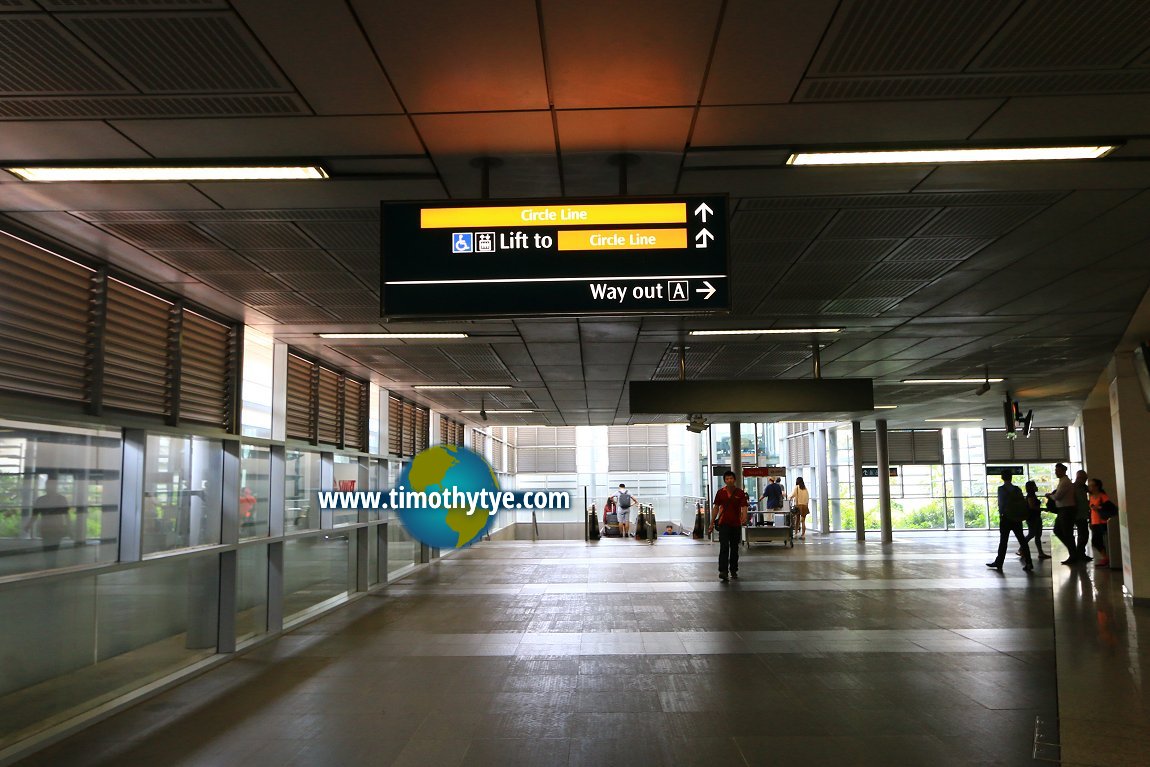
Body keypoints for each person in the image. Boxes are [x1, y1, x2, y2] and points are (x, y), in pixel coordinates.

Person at [988, 471, 1033, 572]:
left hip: (1006, 519)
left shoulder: (1001, 489)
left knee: (1003, 541)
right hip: (1017, 518)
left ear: (1002, 478)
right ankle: (1029, 562)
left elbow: (1001, 504)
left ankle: (999, 562)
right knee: (1022, 540)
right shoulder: (1017, 489)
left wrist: (1002, 514)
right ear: (1011, 478)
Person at [708, 470, 747, 583]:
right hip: (723, 523)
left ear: (734, 480)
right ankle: (723, 571)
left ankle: (733, 569)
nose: (729, 480)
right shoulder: (721, 493)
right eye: (727, 479)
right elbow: (716, 507)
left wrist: (744, 517)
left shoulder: (740, 493)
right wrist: (711, 522)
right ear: (725, 480)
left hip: (735, 524)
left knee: (734, 548)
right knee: (724, 547)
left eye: (731, 478)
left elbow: (744, 506)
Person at [28, 478, 71, 565]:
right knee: (51, 549)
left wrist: (29, 525)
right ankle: (51, 565)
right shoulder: (60, 499)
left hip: (52, 529)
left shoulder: (42, 500)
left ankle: (50, 565)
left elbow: (35, 515)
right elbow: (67, 515)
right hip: (52, 529)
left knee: (49, 549)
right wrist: (69, 528)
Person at [1046, 463, 1078, 564]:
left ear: (1063, 471)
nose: (1056, 472)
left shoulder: (1065, 482)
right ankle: (1073, 552)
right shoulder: (1063, 481)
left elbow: (1057, 497)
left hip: (1066, 510)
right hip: (1064, 510)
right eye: (1055, 470)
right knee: (1059, 531)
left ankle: (1073, 554)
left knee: (1067, 533)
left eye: (1058, 470)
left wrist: (1049, 495)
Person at [1019, 480, 1051, 560]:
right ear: (1032, 487)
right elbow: (1032, 507)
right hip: (1033, 518)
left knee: (1036, 535)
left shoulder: (1032, 495)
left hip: (1034, 517)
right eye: (1035, 485)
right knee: (1032, 534)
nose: (1036, 487)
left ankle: (1040, 553)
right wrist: (1043, 509)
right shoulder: (1030, 496)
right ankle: (1021, 549)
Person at [1087, 478, 1111, 568]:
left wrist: (1099, 508)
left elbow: (1108, 507)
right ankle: (1105, 558)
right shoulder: (1092, 497)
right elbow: (1091, 511)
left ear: (1097, 486)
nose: (1090, 487)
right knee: (1096, 541)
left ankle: (1106, 558)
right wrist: (1090, 521)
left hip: (1102, 522)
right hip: (1095, 522)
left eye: (1092, 485)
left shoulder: (1103, 496)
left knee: (1098, 541)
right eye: (1089, 485)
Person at [1073, 470, 1092, 563]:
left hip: (1083, 514)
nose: (1085, 481)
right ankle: (1080, 554)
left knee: (1083, 535)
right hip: (1078, 515)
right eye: (1084, 479)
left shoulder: (1083, 487)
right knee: (1083, 535)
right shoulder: (1073, 487)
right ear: (1079, 478)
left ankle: (1080, 553)